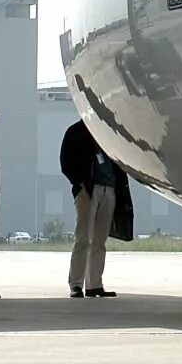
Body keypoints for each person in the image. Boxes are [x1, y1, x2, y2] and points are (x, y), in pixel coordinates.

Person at [60, 119, 131, 298]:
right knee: (83, 237)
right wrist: (80, 182)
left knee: (100, 240)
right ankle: (76, 284)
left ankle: (94, 284)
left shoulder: (109, 132)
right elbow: (65, 162)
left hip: (109, 187)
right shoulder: (76, 131)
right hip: (89, 189)